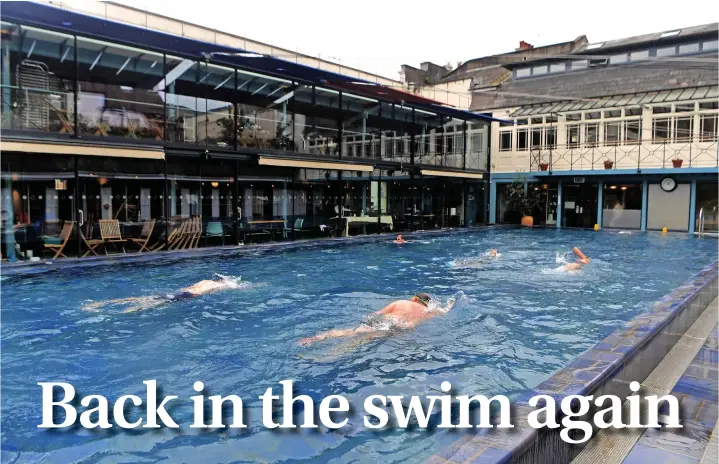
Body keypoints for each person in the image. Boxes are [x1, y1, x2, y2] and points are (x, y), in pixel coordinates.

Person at [298, 293, 454, 346]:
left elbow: (377, 314)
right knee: (366, 339)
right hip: (400, 329)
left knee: (351, 332)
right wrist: (452, 303)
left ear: (414, 298)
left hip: (386, 322)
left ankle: (315, 338)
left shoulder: (400, 302)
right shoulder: (427, 312)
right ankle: (338, 352)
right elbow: (445, 311)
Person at [82, 274, 240, 313]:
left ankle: (101, 304)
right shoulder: (217, 286)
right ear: (221, 281)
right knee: (151, 305)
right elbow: (209, 293)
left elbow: (189, 286)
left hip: (180, 291)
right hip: (187, 296)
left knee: (143, 298)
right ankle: (126, 312)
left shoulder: (204, 280)